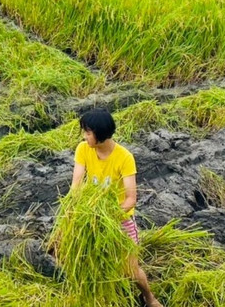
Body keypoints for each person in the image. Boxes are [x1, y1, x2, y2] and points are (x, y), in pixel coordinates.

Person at [69, 108, 164, 307]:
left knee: (130, 269)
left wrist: (108, 217)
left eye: (88, 132)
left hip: (119, 218)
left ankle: (149, 298)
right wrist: (76, 209)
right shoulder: (83, 149)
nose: (84, 136)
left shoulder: (124, 158)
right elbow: (76, 184)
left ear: (101, 134)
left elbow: (130, 199)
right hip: (90, 216)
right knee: (86, 260)